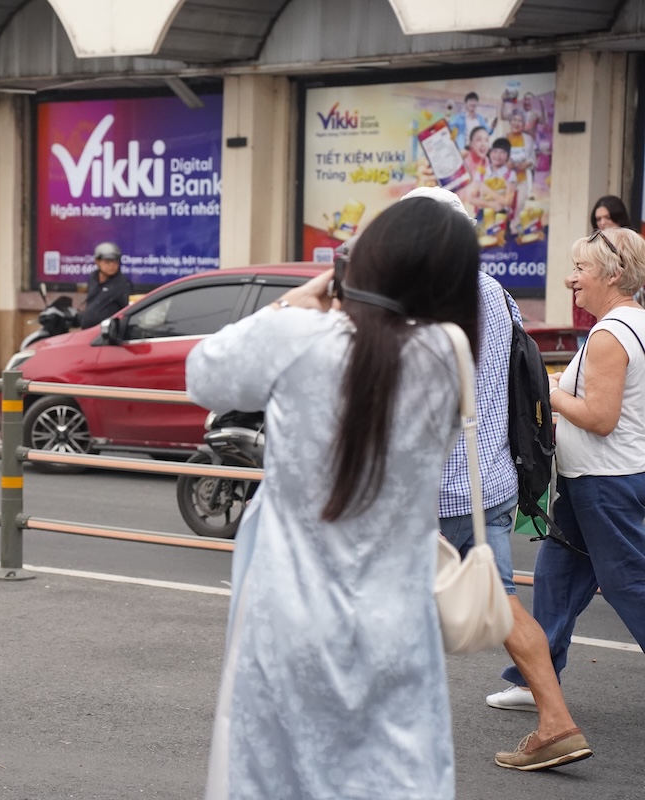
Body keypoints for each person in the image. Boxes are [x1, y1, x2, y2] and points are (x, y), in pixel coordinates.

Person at [190, 197, 479, 799]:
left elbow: (205, 376)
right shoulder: (450, 355)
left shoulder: (298, 336)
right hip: (398, 624)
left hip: (288, 621)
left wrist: (290, 304)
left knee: (273, 776)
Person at [403, 188, 592, 772]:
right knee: (504, 604)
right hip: (491, 478)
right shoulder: (495, 293)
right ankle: (555, 722)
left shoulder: (427, 299)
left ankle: (383, 736)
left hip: (435, 487)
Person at [492, 226, 645, 763]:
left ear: (614, 275)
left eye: (580, 269)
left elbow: (601, 418)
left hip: (607, 484)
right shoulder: (631, 326)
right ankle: (531, 679)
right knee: (557, 579)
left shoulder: (610, 334)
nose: (570, 279)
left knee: (631, 585)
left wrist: (551, 393)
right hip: (595, 484)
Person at [576, 196, 634, 327]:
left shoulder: (634, 244)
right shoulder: (592, 245)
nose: (602, 223)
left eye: (607, 217)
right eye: (598, 219)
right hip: (592, 316)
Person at [78, 241, 131, 329]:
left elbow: (127, 310)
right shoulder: (93, 278)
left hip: (106, 333)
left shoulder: (123, 284)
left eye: (115, 262)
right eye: (107, 262)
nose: (112, 265)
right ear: (97, 261)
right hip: (87, 332)